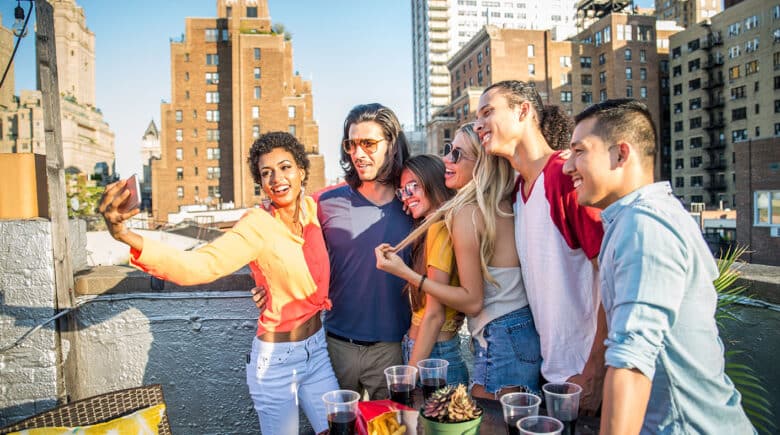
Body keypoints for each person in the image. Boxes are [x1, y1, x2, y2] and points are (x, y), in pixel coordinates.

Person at [98, 132, 339, 435]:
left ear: (302, 171)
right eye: (266, 172)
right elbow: (199, 265)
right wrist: (125, 235)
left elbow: (355, 191)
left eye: (285, 167)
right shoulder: (257, 224)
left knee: (341, 428)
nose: (277, 178)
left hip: (317, 352)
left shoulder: (313, 209)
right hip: (277, 363)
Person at [563, 99, 754, 434]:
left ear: (620, 154)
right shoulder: (635, 220)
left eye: (579, 151)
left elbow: (631, 363)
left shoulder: (644, 226)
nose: (568, 167)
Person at [377, 123, 541, 399]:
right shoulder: (495, 202)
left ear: (482, 163)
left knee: (484, 423)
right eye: (447, 151)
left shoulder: (465, 213)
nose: (446, 161)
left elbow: (470, 301)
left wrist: (405, 272)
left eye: (457, 155)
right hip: (515, 330)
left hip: (500, 332)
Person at [474, 80, 607, 413]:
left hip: (585, 378)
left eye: (488, 112)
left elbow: (615, 276)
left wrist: (595, 372)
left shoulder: (564, 175)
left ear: (523, 111)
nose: (478, 125)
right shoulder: (518, 190)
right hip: (551, 375)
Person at [317, 103, 414, 400]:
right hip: (335, 347)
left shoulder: (414, 206)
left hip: (391, 350)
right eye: (352, 144)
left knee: (393, 429)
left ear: (392, 145)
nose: (358, 154)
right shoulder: (325, 203)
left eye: (369, 144)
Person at [373, 154, 468, 386]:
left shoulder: (439, 229)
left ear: (433, 182)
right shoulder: (436, 226)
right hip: (430, 352)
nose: (406, 197)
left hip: (432, 356)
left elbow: (434, 315)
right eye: (402, 191)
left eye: (413, 186)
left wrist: (409, 377)